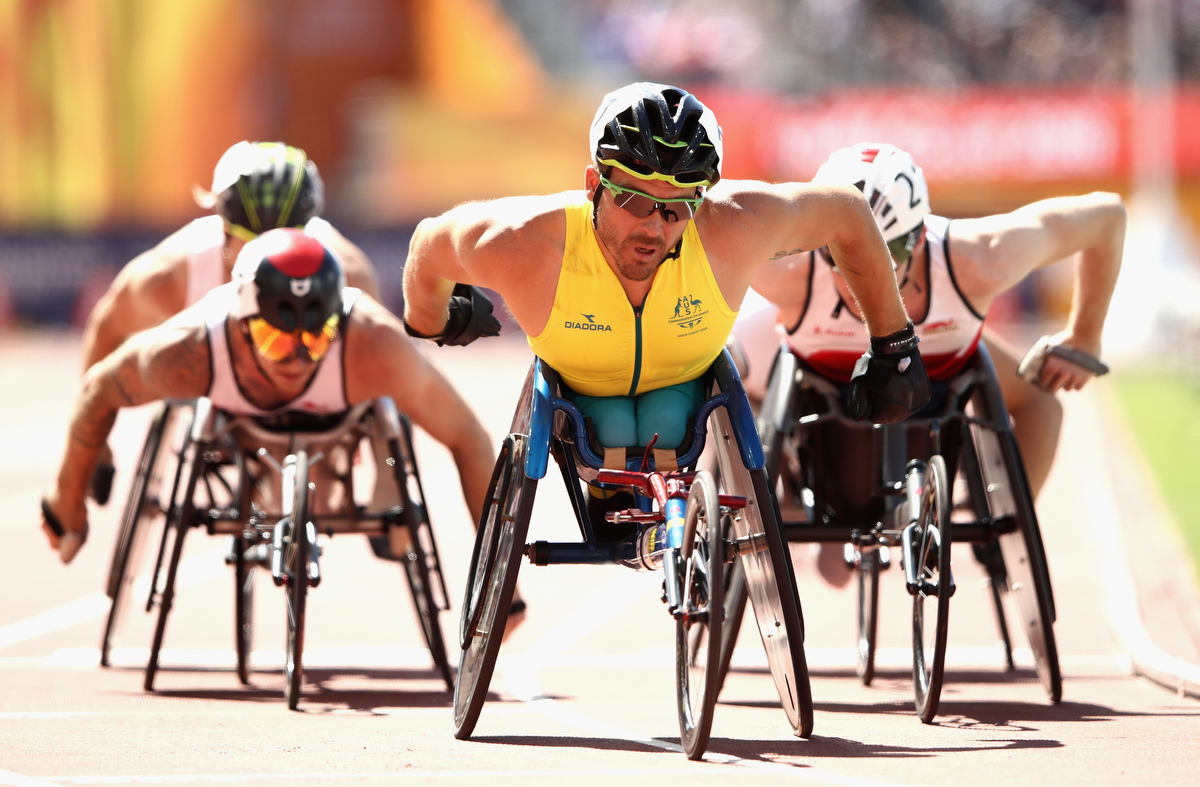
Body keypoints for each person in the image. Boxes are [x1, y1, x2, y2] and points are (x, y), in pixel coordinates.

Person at [401, 82, 931, 534]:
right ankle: (610, 489)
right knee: (607, 430)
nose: (653, 229)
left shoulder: (735, 223)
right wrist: (434, 318)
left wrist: (895, 344)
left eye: (677, 208)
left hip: (684, 392)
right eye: (633, 201)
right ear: (594, 185)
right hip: (583, 395)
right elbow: (429, 242)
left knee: (664, 420)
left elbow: (847, 210)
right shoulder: (523, 242)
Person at [739, 142, 1124, 584]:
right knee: (733, 365)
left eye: (878, 263)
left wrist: (1086, 336)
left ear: (919, 239)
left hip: (939, 374)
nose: (854, 281)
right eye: (836, 258)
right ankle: (799, 491)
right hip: (823, 396)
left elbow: (1107, 217)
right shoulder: (790, 270)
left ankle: (999, 533)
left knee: (1044, 404)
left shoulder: (978, 258)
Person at [39, 229, 495, 569]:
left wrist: (501, 583)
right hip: (235, 409)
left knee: (383, 423)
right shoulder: (187, 351)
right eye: (276, 341)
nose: (295, 359)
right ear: (240, 322)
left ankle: (383, 484)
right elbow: (98, 388)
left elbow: (469, 438)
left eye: (314, 340)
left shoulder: (373, 342)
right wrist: (68, 496)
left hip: (334, 416)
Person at [80, 141, 383, 504]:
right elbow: (108, 327)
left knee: (320, 496)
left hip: (307, 397)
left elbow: (388, 368)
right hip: (216, 392)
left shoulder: (348, 272)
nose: (272, 269)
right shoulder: (167, 276)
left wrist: (386, 475)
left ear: (311, 232)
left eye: (286, 247)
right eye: (254, 249)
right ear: (221, 230)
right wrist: (97, 446)